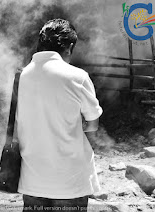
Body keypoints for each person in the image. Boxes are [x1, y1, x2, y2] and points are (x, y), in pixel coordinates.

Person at [16, 19, 103, 212]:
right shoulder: (77, 76)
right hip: (70, 182)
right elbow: (92, 123)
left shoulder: (21, 77)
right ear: (69, 47)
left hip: (32, 180)